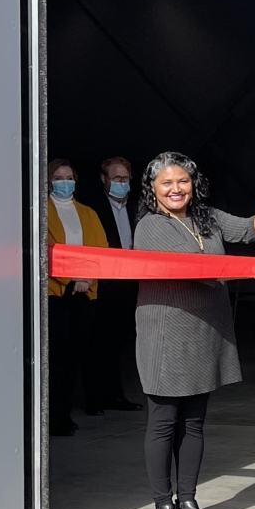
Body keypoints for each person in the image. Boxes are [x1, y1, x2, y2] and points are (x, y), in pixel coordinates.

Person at [133, 152, 255, 509]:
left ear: (193, 183)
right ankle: (162, 506)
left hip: (205, 331)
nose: (175, 189)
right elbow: (196, 269)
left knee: (195, 423)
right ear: (152, 189)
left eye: (182, 181)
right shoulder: (150, 227)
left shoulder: (207, 218)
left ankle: (188, 500)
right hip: (166, 334)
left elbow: (251, 230)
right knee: (164, 422)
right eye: (166, 183)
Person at [47, 159, 110, 438]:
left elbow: (102, 250)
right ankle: (52, 416)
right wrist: (71, 279)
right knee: (56, 357)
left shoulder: (88, 212)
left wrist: (86, 279)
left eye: (69, 177)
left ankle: (64, 414)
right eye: (59, 177)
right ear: (49, 181)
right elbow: (44, 251)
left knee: (74, 356)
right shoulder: (40, 212)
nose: (65, 182)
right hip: (56, 292)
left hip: (85, 292)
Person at [86, 156, 143, 413]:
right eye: (115, 178)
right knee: (97, 343)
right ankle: (95, 399)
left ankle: (115, 395)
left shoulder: (138, 208)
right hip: (103, 284)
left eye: (125, 178)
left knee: (118, 343)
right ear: (103, 179)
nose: (121, 183)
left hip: (129, 284)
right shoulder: (92, 208)